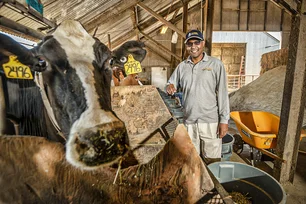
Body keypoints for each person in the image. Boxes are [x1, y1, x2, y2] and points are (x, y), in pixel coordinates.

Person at [166, 29, 230, 162]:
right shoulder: (182, 67)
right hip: (189, 121)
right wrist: (170, 86)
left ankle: (211, 183)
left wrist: (224, 120)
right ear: (186, 46)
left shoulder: (215, 64)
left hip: (210, 121)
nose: (193, 46)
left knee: (212, 161)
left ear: (203, 43)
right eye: (190, 44)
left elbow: (223, 93)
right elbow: (171, 83)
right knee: (192, 160)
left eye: (197, 42)